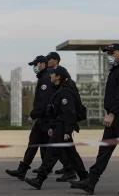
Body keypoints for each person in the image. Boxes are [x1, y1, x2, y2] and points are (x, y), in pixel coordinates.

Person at [70, 43, 119, 196]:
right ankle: (91, 182)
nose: (109, 55)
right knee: (104, 151)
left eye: (112, 52)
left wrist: (112, 113)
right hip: (115, 117)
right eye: (107, 53)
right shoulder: (115, 71)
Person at [24, 66, 88, 190]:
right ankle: (85, 178)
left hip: (63, 127)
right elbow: (56, 112)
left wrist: (67, 131)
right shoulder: (57, 90)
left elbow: (68, 113)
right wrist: (52, 126)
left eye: (52, 74)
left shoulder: (64, 92)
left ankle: (40, 179)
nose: (50, 76)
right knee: (71, 154)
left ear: (58, 77)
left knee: (51, 154)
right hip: (59, 126)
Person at [5, 55, 53, 180]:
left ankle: (76, 171)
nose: (34, 68)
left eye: (35, 65)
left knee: (52, 148)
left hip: (45, 119)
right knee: (33, 143)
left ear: (43, 64)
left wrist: (33, 115)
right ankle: (23, 170)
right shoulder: (43, 78)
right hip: (41, 119)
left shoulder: (46, 79)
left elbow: (44, 102)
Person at [46, 52, 79, 182]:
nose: (48, 61)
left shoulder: (63, 82)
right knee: (65, 148)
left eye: (50, 59)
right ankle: (73, 171)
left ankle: (42, 174)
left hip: (64, 119)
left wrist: (68, 127)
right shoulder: (55, 78)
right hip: (59, 118)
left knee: (58, 148)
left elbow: (68, 105)